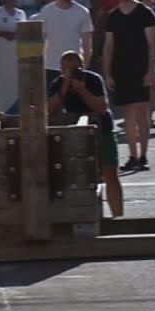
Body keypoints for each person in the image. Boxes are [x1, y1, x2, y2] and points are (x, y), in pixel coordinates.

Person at [46, 50, 123, 217]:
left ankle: (117, 215)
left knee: (110, 174)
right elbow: (49, 110)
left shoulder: (93, 79)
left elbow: (101, 108)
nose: (71, 73)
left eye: (74, 69)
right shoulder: (58, 83)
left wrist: (82, 90)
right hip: (76, 134)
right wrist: (64, 87)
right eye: (66, 69)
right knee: (79, 177)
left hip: (102, 130)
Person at [102, 0, 155, 172]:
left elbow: (152, 45)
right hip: (121, 69)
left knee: (142, 112)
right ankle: (132, 155)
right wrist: (107, 73)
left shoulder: (145, 13)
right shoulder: (113, 16)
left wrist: (150, 71)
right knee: (127, 113)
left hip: (140, 68)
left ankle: (143, 155)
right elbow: (108, 46)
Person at [34, 0, 93, 86]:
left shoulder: (82, 12)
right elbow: (41, 39)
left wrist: (84, 66)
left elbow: (87, 43)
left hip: (75, 67)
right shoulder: (47, 11)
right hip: (51, 66)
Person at [0, 0, 25, 115]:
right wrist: (3, 33)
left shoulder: (21, 14)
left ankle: (13, 114)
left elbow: (25, 31)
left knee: (15, 85)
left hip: (16, 56)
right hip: (1, 55)